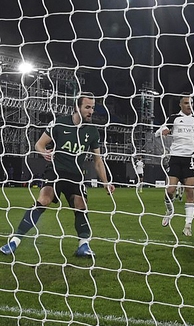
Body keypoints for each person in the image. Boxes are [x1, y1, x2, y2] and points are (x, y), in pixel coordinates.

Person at [1, 92, 115, 257]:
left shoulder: (92, 131)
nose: (91, 111)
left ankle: (83, 246)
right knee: (44, 199)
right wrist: (44, 153)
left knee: (81, 204)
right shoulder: (60, 123)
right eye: (88, 107)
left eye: (93, 108)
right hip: (55, 170)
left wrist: (105, 182)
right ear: (77, 107)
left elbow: (98, 161)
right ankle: (14, 241)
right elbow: (39, 144)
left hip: (76, 174)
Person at [156, 94, 194, 237]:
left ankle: (188, 225)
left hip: (190, 160)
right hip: (175, 158)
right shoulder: (174, 118)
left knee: (190, 193)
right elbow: (159, 131)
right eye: (186, 103)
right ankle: (169, 211)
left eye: (191, 103)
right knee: (170, 190)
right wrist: (163, 131)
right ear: (180, 105)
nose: (189, 105)